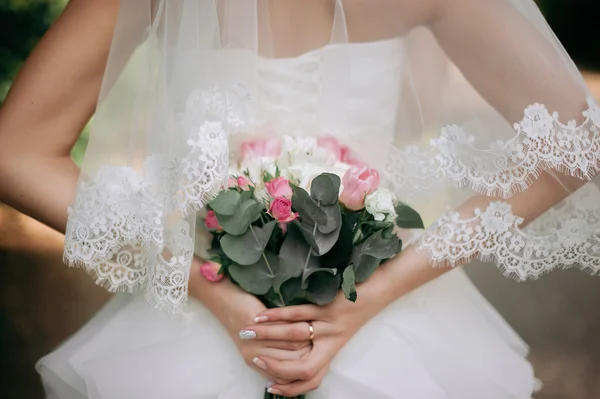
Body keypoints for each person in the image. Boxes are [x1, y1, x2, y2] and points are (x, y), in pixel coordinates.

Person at [1, 0, 599, 398]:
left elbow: (13, 151)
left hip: (194, 329)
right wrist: (374, 294)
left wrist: (199, 280)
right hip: (390, 323)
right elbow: (580, 143)